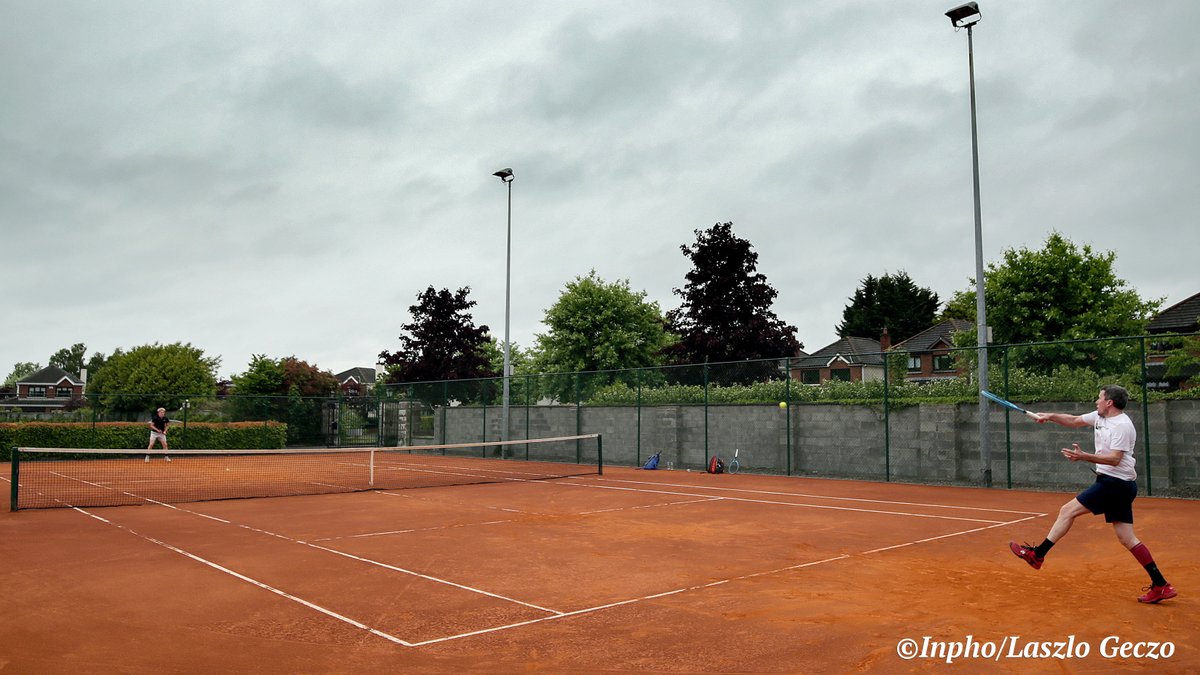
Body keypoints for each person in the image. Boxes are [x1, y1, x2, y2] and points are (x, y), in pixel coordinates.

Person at [1008, 385, 1176, 603]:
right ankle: (1161, 585)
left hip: (1115, 484)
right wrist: (1048, 416)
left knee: (1067, 511)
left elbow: (1115, 459)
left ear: (1109, 403)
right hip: (1117, 484)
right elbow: (1074, 420)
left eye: (1100, 398)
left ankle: (1037, 555)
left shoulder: (1123, 426)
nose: (1096, 401)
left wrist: (1084, 456)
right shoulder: (1100, 417)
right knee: (1127, 538)